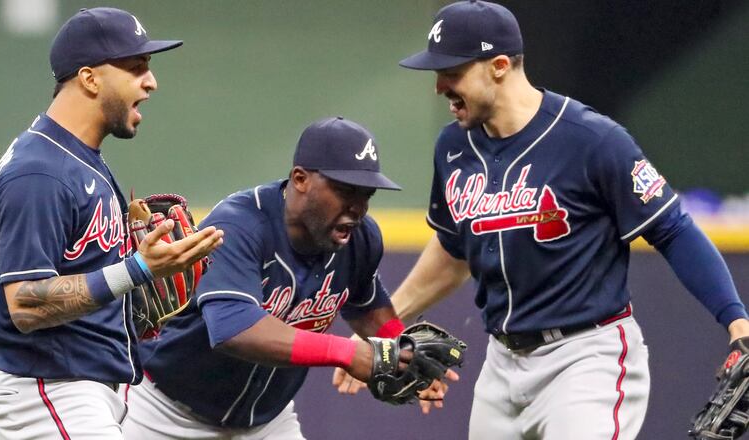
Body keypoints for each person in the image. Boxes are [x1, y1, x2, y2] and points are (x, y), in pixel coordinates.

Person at [387, 1, 749, 438]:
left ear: (499, 65)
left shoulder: (592, 139)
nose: (440, 86)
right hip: (501, 364)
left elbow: (671, 228)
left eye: (452, 72)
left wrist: (737, 323)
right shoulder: (454, 147)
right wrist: (385, 323)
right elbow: (452, 249)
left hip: (585, 357)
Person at [0, 8, 223, 439]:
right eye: (136, 67)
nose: (150, 82)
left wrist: (131, 303)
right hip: (50, 391)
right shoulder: (41, 172)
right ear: (90, 79)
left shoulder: (79, 160)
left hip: (83, 391)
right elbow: (24, 305)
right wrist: (138, 270)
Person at [121, 117, 445, 439]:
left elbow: (366, 305)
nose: (358, 207)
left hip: (267, 424)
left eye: (366, 194)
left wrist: (406, 352)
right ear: (301, 179)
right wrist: (349, 354)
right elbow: (236, 331)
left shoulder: (359, 238)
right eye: (345, 190)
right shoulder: (239, 225)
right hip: (165, 414)